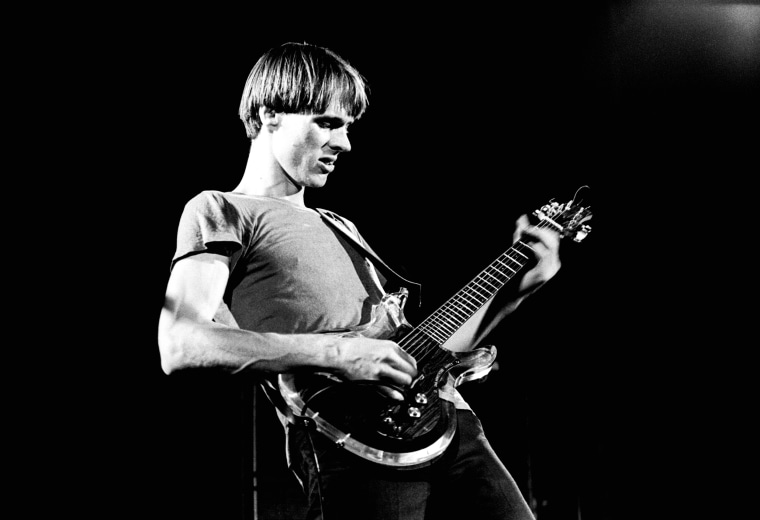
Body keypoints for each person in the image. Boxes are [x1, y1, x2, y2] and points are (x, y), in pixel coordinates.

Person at [158, 41, 561, 520]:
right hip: (353, 444)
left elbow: (418, 356)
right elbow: (181, 344)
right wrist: (338, 354)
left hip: (454, 427)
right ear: (269, 115)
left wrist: (518, 290)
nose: (345, 143)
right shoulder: (221, 209)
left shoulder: (341, 225)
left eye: (347, 128)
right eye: (327, 123)